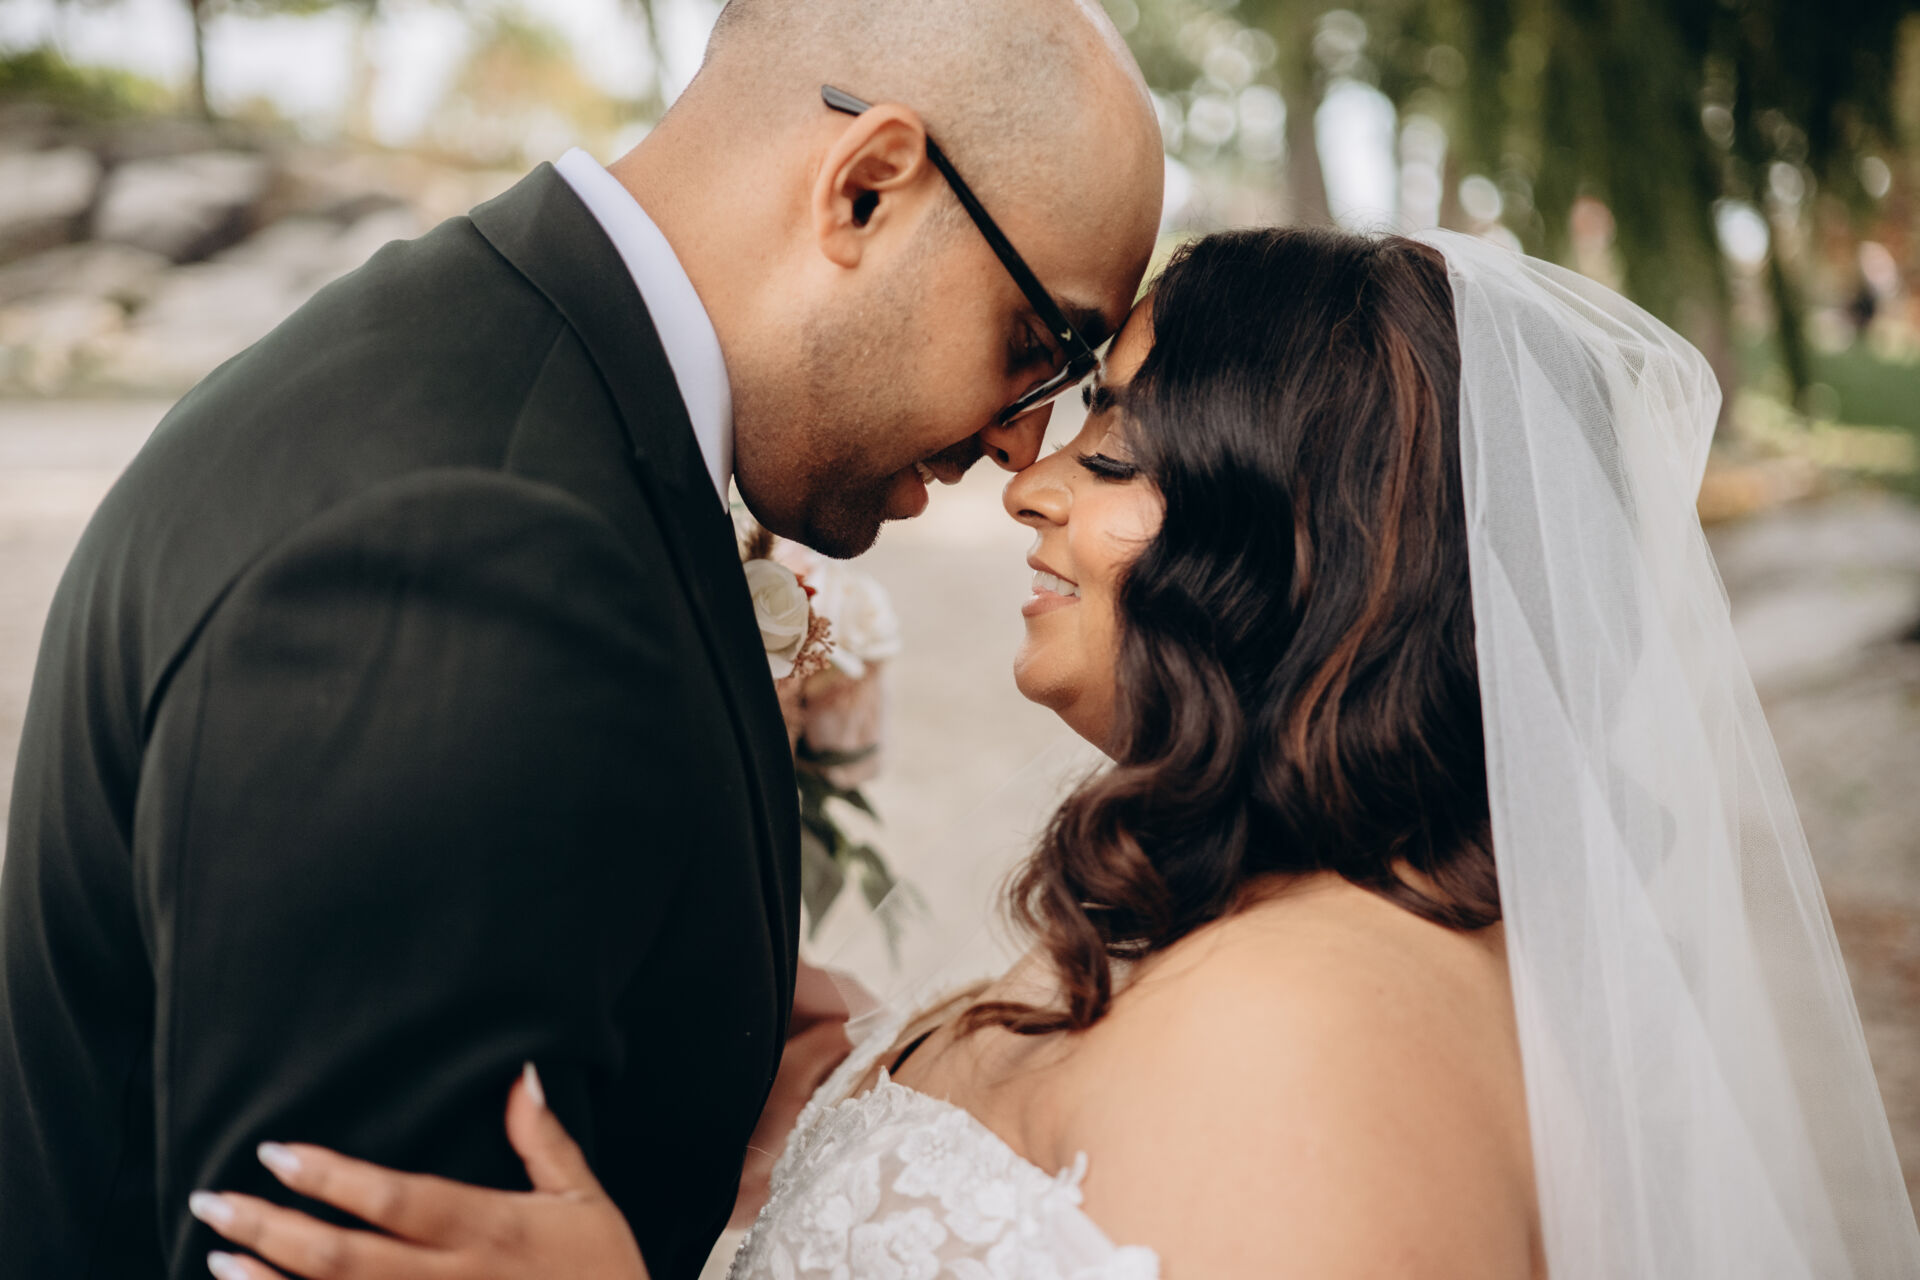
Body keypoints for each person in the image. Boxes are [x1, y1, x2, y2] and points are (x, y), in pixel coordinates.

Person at [189, 225, 1920, 1280]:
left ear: (1296, 542)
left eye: (1113, 441)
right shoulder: (1277, 931)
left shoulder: (1314, 1035)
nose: (1025, 482)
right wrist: (841, 1112)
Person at [0, 1, 1165, 1276]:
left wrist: (689, 1043)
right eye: (1039, 344)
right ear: (867, 187)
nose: (1021, 442)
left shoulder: (489, 367)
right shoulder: (468, 549)